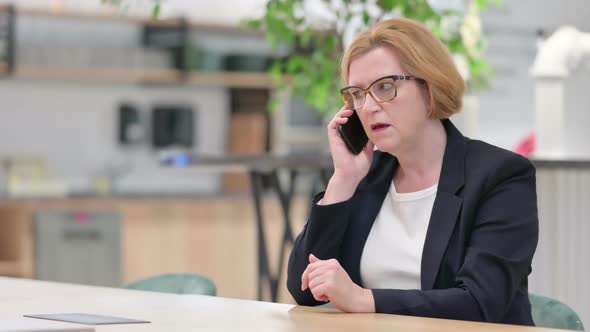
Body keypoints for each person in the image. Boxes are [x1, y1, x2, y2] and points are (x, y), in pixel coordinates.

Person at [286, 18, 538, 326]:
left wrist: (363, 298)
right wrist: (343, 180)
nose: (369, 106)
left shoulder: (501, 176)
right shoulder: (366, 177)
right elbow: (305, 287)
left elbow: (480, 301)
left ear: (429, 87)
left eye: (385, 87)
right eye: (358, 94)